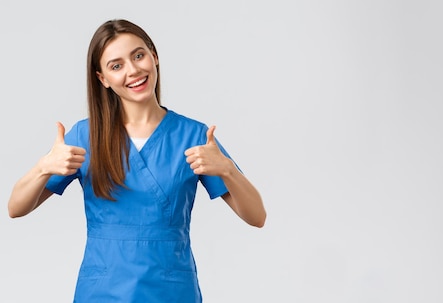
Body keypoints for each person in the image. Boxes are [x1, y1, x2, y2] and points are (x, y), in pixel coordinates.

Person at [7, 19, 266, 302]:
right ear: (102, 78)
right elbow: (16, 208)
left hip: (171, 289)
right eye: (116, 66)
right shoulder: (86, 135)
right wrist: (44, 167)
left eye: (138, 56)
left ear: (154, 57)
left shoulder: (193, 136)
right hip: (103, 290)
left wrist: (228, 170)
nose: (133, 71)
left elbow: (257, 217)